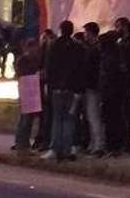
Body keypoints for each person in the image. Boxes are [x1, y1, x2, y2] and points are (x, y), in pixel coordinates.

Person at [42, 21, 83, 161]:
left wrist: (49, 85)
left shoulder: (54, 46)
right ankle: (67, 148)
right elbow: (79, 70)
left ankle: (55, 148)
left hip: (57, 88)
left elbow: (50, 67)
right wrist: (78, 89)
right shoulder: (77, 47)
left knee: (57, 118)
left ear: (60, 30)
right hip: (71, 88)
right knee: (69, 119)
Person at [99, 31, 126, 157]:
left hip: (109, 93)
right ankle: (116, 146)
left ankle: (112, 146)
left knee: (110, 120)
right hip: (118, 92)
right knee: (116, 119)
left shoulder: (108, 57)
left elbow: (106, 76)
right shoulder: (118, 54)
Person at [81, 22, 105, 156]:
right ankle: (93, 143)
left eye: (86, 32)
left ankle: (98, 145)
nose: (84, 35)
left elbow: (93, 69)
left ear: (90, 33)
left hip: (93, 86)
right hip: (89, 86)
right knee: (90, 116)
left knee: (94, 116)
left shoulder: (96, 48)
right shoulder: (92, 48)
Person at [14, 39, 41, 153]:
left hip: (31, 90)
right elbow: (23, 74)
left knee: (28, 119)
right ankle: (22, 143)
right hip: (27, 89)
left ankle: (23, 142)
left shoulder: (33, 59)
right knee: (25, 119)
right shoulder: (23, 60)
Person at [114, 17, 130, 149]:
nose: (116, 30)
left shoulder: (128, 43)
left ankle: (128, 141)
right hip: (122, 83)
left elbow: (127, 63)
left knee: (126, 112)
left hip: (126, 83)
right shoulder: (122, 42)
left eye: (118, 27)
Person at [33, 29, 56, 151]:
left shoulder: (45, 51)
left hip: (45, 87)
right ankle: (43, 139)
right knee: (46, 115)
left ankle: (42, 139)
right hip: (45, 87)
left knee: (45, 116)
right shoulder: (48, 50)